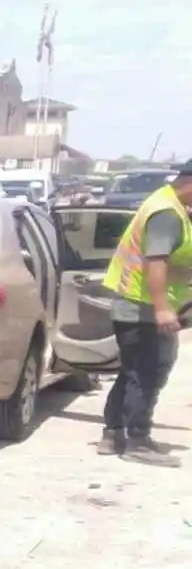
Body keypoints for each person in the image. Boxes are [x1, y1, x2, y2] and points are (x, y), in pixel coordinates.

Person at [98, 160, 192, 466]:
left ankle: (113, 434)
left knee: (133, 371)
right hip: (145, 308)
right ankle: (137, 441)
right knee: (149, 373)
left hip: (135, 304)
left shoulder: (167, 204)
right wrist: (164, 309)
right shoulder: (166, 212)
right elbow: (156, 262)